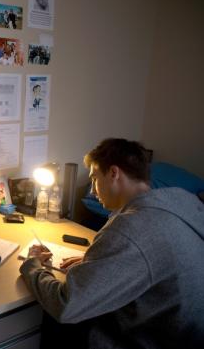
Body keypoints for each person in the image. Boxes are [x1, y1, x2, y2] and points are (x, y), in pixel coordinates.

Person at [19, 138, 204, 349]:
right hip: (190, 334)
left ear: (114, 173)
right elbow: (153, 257)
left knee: (58, 320)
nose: (92, 191)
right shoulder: (182, 202)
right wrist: (101, 262)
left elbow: (66, 305)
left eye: (95, 179)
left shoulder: (130, 228)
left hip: (154, 339)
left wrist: (32, 266)